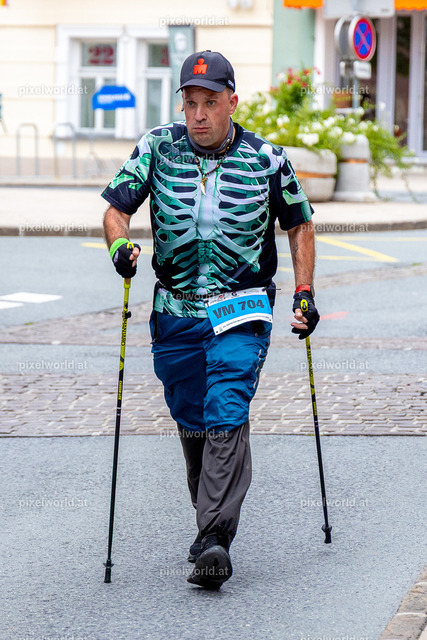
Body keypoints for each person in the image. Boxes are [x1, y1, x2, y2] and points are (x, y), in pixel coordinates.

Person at [102, 50, 319, 590]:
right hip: (175, 311)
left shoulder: (267, 160)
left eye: (210, 102)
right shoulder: (157, 147)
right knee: (192, 416)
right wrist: (120, 247)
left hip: (241, 306)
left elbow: (300, 224)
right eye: (191, 102)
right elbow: (115, 210)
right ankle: (210, 525)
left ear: (232, 102)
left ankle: (216, 535)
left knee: (227, 404)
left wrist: (305, 292)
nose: (198, 114)